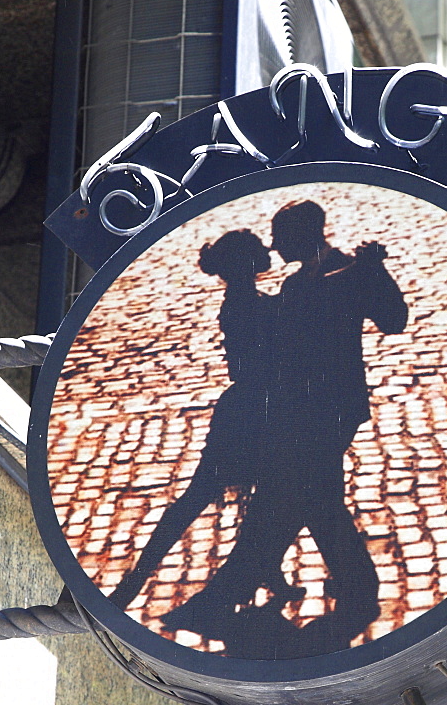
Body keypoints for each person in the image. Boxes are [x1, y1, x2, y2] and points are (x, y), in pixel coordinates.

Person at [165, 200, 408, 655]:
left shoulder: (351, 272)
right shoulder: (299, 282)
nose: (274, 245)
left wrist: (374, 271)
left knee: (283, 501)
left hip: (329, 411)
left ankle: (223, 598)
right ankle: (358, 588)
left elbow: (394, 321)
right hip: (298, 412)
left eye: (281, 236)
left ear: (306, 234)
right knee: (313, 500)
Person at [109, 229, 303, 612]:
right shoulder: (247, 304)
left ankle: (268, 570)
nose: (264, 254)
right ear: (245, 264)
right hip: (252, 411)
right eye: (255, 252)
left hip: (248, 408)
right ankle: (137, 578)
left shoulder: (246, 300)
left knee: (253, 496)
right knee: (203, 498)